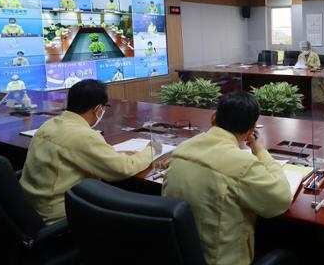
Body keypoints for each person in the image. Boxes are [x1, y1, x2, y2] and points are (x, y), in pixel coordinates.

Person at [162, 91, 291, 265]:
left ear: (213, 118)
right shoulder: (243, 164)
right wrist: (261, 151)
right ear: (252, 130)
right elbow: (281, 200)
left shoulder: (182, 149)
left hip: (180, 255)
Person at [20, 80, 157, 224]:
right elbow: (123, 169)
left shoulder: (49, 124)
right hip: (58, 217)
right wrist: (152, 151)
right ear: (97, 109)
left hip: (30, 208)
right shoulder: (84, 136)